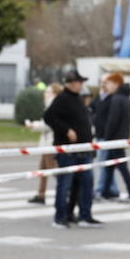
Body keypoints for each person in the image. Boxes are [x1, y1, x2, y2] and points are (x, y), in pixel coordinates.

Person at [42, 69, 101, 228]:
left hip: (84, 149)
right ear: (71, 83)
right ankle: (59, 217)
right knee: (65, 183)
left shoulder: (77, 99)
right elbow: (48, 116)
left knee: (85, 183)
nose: (81, 85)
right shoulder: (62, 98)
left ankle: (84, 215)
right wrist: (66, 130)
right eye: (79, 82)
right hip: (68, 150)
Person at [97, 73, 130, 202]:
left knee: (122, 168)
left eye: (108, 83)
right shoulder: (127, 98)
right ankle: (106, 193)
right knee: (109, 167)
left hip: (115, 139)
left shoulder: (116, 99)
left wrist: (107, 138)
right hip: (122, 137)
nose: (106, 86)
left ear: (116, 84)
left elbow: (112, 121)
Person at [26, 83, 63, 205]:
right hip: (46, 144)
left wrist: (34, 125)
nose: (45, 94)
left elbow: (48, 124)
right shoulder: (50, 105)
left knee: (53, 171)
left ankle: (65, 191)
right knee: (42, 170)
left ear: (55, 94)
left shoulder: (54, 105)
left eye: (48, 92)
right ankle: (41, 194)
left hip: (50, 144)